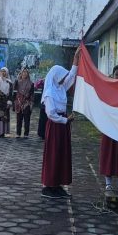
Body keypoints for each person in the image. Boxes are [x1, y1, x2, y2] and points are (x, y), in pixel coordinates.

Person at [40, 48, 80, 199]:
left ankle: (57, 185)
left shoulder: (60, 88)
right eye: (62, 77)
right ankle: (49, 186)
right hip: (56, 126)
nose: (64, 80)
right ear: (56, 77)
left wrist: (76, 59)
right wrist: (65, 120)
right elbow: (50, 114)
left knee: (61, 155)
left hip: (62, 125)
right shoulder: (50, 92)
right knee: (54, 155)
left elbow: (71, 76)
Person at [100, 64, 118, 191]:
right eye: (117, 75)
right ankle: (108, 182)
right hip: (109, 126)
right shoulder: (108, 89)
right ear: (113, 75)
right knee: (108, 154)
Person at [14, 68, 35, 138]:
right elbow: (14, 90)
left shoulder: (31, 83)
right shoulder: (17, 82)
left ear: (28, 74)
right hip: (19, 102)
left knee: (27, 119)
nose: (24, 73)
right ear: (21, 73)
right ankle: (18, 133)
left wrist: (31, 103)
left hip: (27, 103)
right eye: (23, 72)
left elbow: (32, 94)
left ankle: (26, 134)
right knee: (19, 119)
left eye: (26, 72)